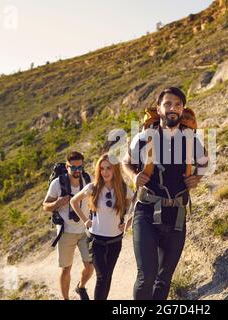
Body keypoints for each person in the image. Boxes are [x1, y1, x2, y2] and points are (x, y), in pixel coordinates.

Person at [122, 87, 209, 300]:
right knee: (147, 276)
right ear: (159, 109)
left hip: (177, 215)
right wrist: (134, 176)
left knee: (164, 278)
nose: (172, 108)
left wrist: (197, 177)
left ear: (182, 110)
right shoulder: (143, 138)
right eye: (167, 104)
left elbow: (205, 162)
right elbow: (125, 162)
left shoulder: (191, 140)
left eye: (177, 104)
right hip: (146, 213)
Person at [71, 154, 133, 300]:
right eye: (102, 168)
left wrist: (127, 223)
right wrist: (85, 220)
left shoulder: (123, 189)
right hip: (96, 240)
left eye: (108, 168)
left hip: (115, 241)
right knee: (102, 276)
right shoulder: (93, 187)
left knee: (108, 276)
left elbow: (136, 205)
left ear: (115, 170)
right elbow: (74, 201)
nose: (105, 172)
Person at [43, 151, 94, 300]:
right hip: (66, 231)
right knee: (66, 269)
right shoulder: (57, 183)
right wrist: (57, 203)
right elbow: (45, 206)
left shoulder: (88, 178)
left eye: (80, 167)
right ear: (67, 166)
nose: (77, 171)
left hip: (85, 229)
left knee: (90, 266)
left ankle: (81, 287)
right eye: (73, 167)